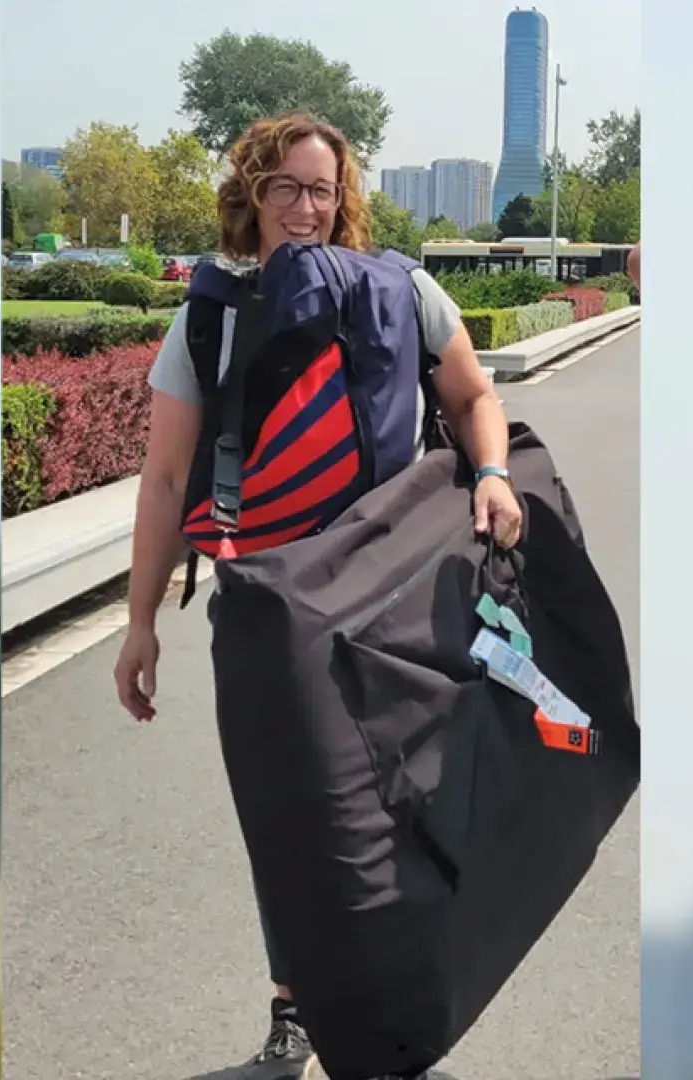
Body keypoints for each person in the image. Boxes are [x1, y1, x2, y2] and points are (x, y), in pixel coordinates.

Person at [112, 111, 520, 1080]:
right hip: (269, 606)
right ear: (251, 194)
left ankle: (401, 1024)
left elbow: (473, 397)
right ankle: (295, 1017)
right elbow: (164, 482)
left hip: (393, 593)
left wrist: (494, 473)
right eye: (285, 187)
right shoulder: (210, 317)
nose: (305, 207)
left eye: (322, 190)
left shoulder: (403, 291)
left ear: (345, 202)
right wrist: (139, 622)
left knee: (405, 808)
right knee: (288, 817)